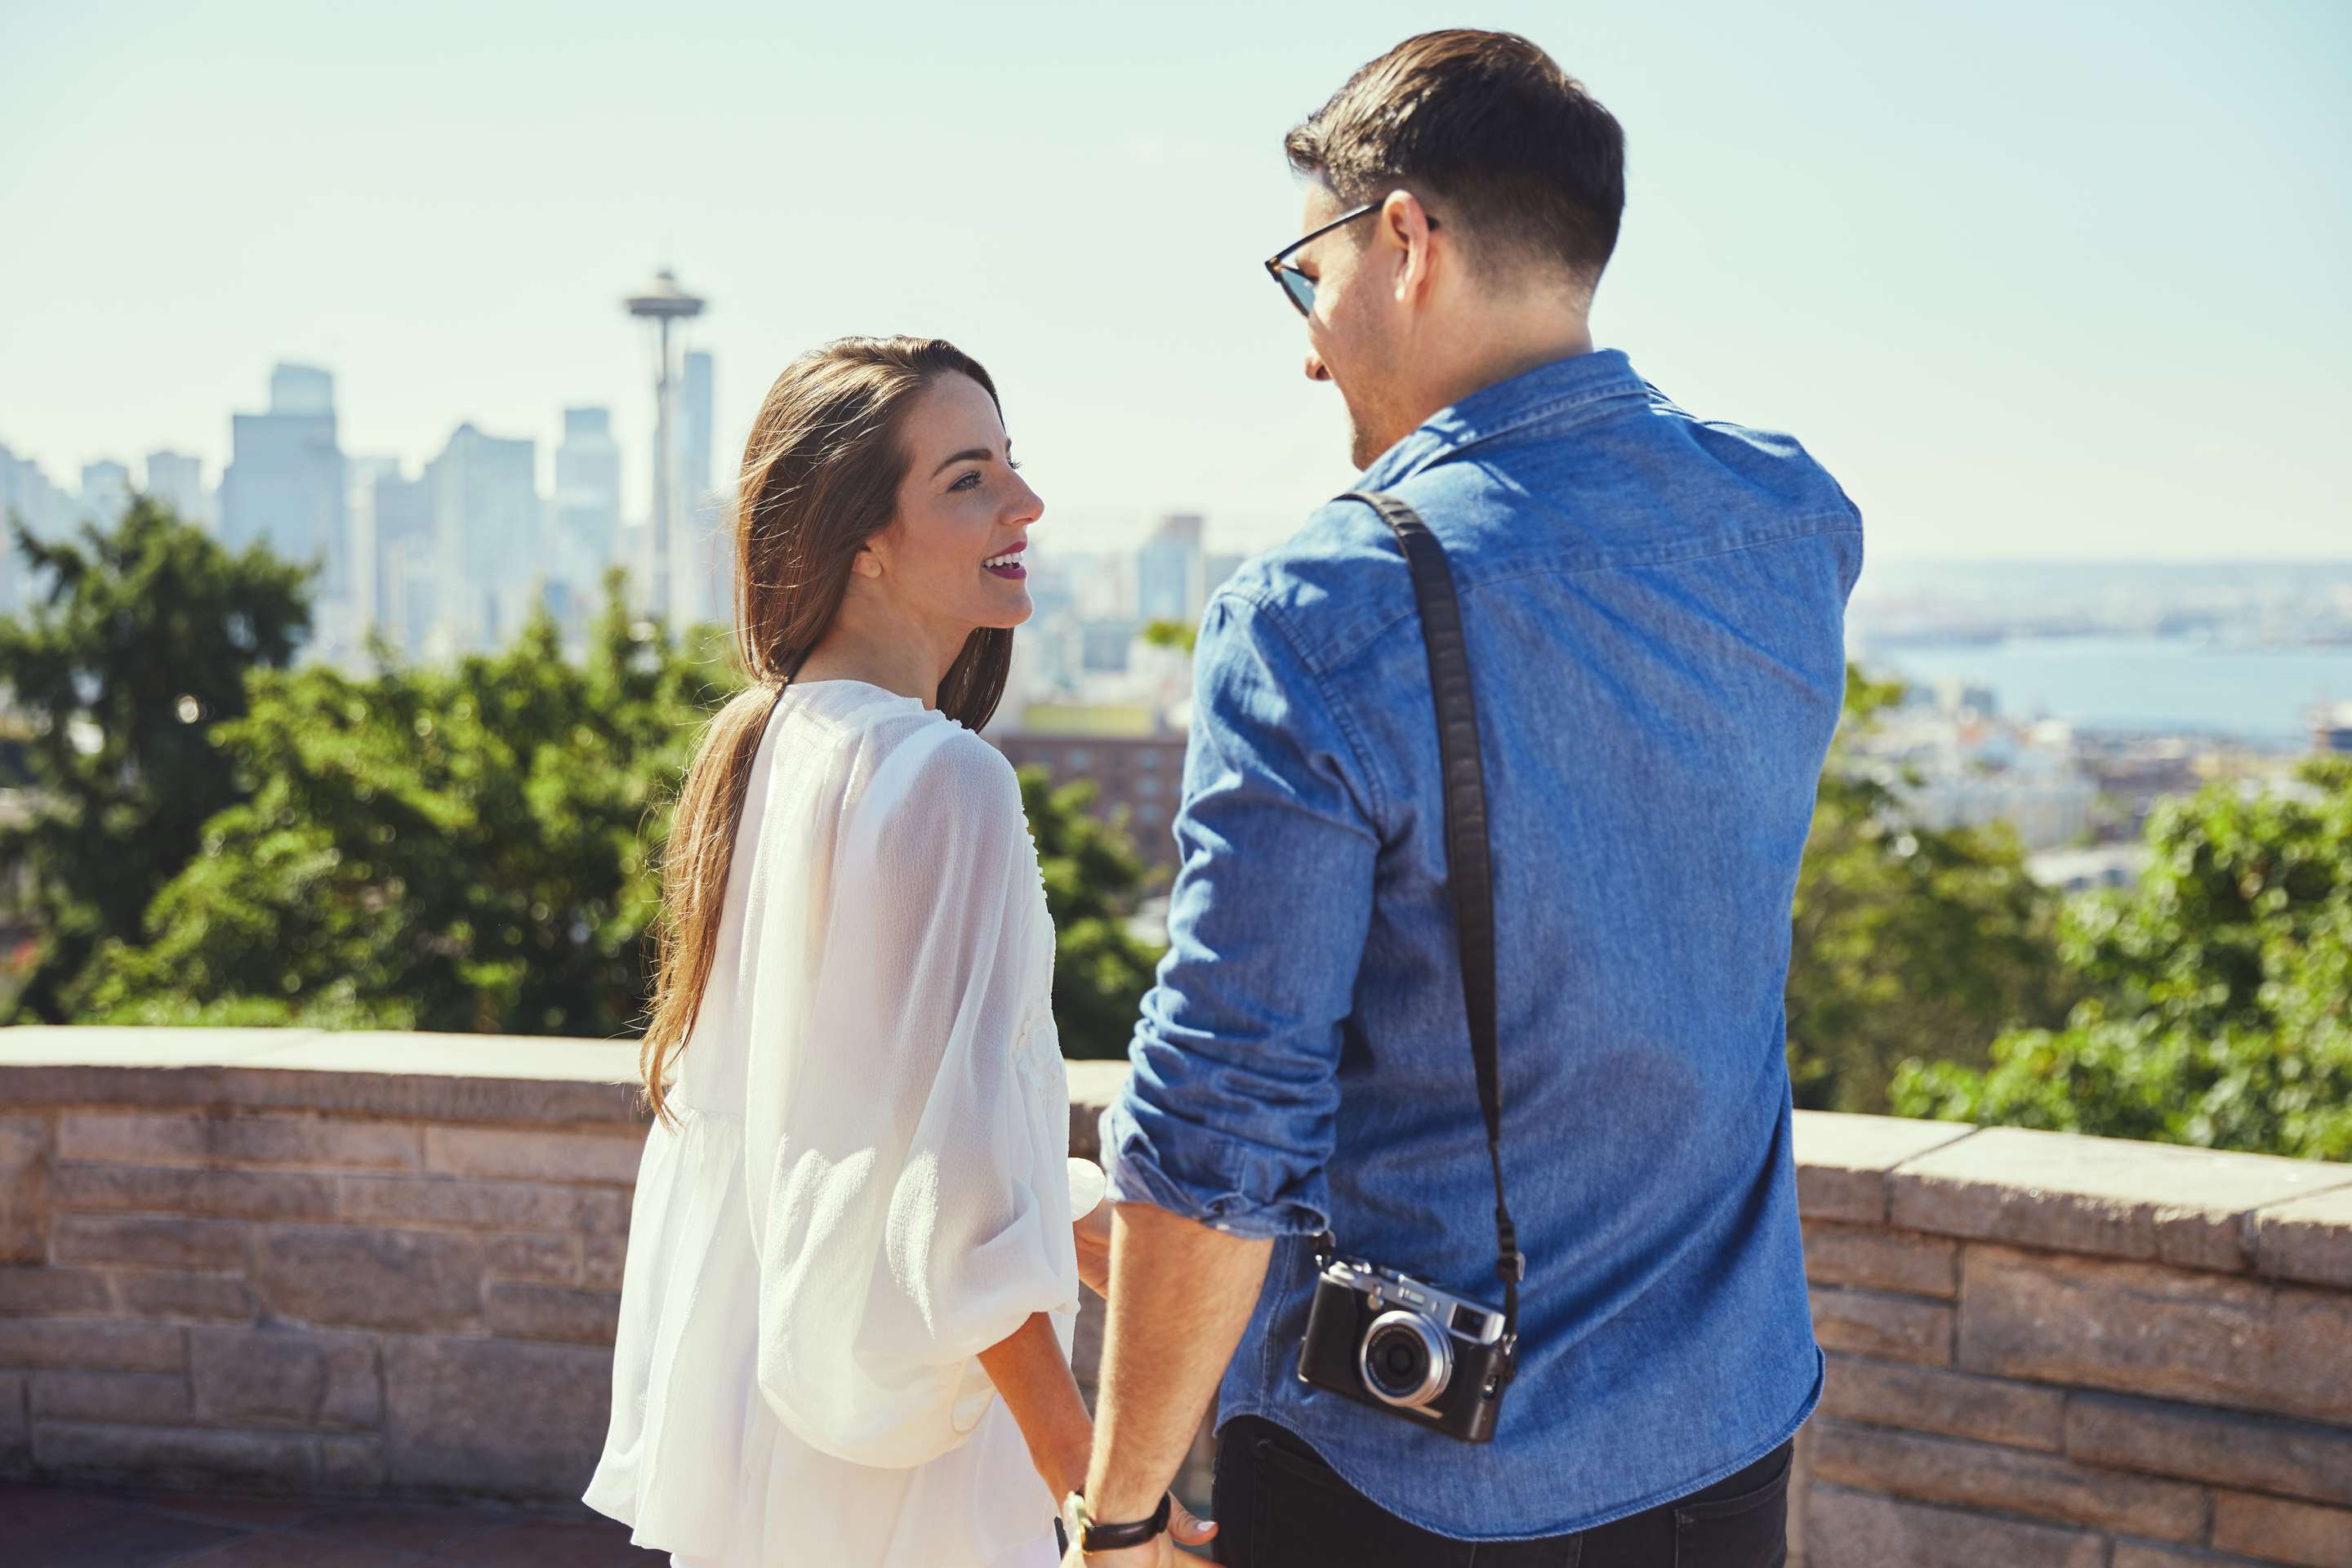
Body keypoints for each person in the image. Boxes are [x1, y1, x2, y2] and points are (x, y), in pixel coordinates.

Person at [1067, 31, 1862, 1568]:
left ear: (1405, 242)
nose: (1309, 347)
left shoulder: (1325, 609)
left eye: (1309, 275)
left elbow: (1223, 1118)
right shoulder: (1789, 522)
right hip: (1722, 1445)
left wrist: (1119, 1519)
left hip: (1410, 1482)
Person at [580, 336, 1213, 1568]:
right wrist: (1101, 1497)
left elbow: (854, 1121)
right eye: (968, 479)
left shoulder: (772, 740)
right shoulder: (941, 778)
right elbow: (952, 1193)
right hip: (910, 1471)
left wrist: (1092, 1224)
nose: (1026, 504)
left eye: (1011, 463)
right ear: (859, 537)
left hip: (772, 1429)